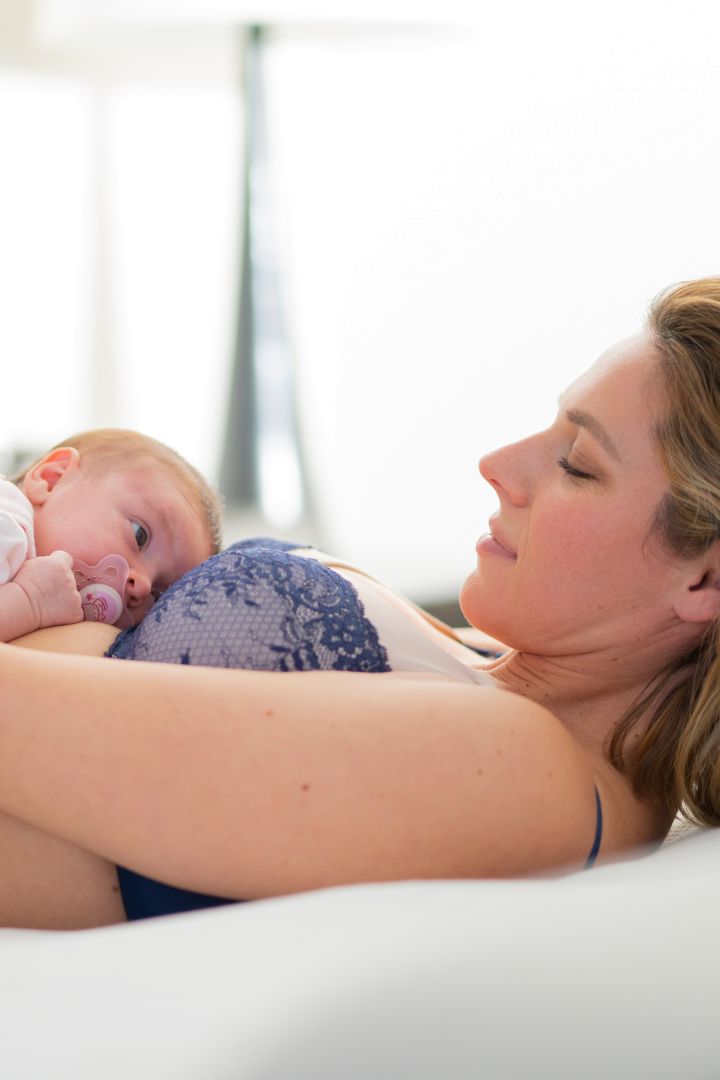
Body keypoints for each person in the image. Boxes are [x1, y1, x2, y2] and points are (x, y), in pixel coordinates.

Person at [1, 275, 719, 930]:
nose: (497, 467)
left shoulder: (531, 770)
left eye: (578, 465)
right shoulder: (506, 667)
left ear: (705, 583)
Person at [0, 428, 222, 642]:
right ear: (52, 478)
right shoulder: (10, 525)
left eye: (159, 596)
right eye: (139, 535)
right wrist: (29, 600)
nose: (143, 586)